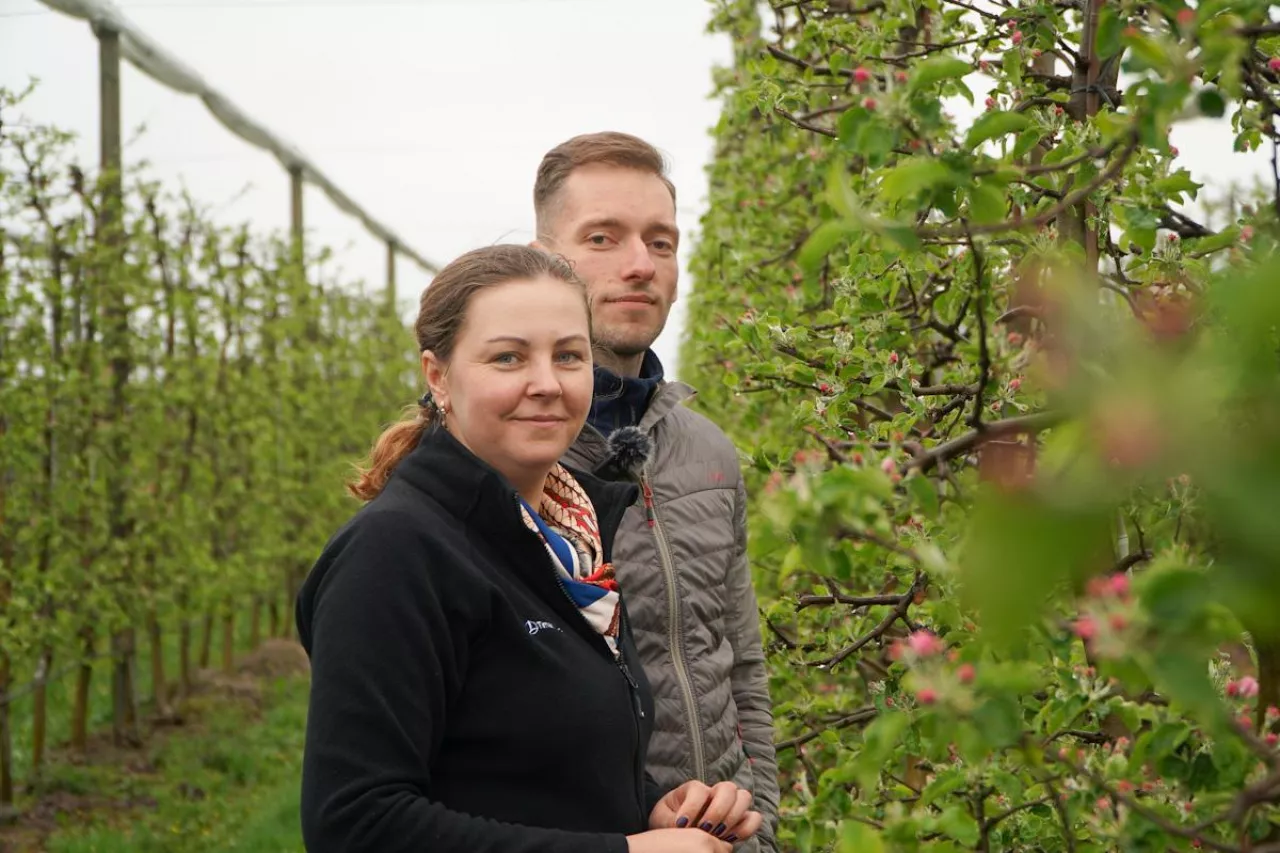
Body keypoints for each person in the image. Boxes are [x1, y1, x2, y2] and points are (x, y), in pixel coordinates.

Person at [295, 245, 763, 853]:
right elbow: (354, 824)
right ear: (438, 377)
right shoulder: (395, 555)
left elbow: (527, 766)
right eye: (508, 357)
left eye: (569, 356)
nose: (546, 383)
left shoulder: (569, 541)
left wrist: (654, 807)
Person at [533, 133, 782, 852]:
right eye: (603, 238)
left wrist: (760, 820)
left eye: (661, 242)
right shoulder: (508, 464)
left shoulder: (708, 451)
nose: (640, 265)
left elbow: (739, 660)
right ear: (546, 259)